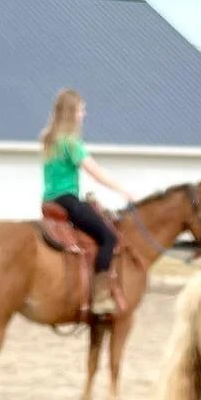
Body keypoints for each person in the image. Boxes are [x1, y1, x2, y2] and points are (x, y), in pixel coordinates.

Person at [40, 88, 134, 316]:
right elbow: (95, 172)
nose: (84, 114)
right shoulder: (71, 143)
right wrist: (123, 191)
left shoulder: (50, 139)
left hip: (50, 200)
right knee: (109, 237)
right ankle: (101, 297)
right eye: (82, 109)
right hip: (67, 201)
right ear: (71, 112)